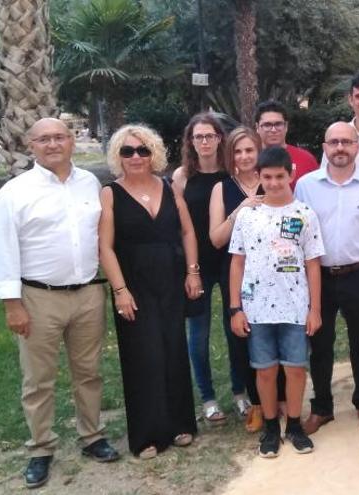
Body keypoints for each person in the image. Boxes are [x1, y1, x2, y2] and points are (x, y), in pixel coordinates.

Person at [0, 118, 120, 489]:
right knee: (38, 380)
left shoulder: (89, 183)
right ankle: (41, 448)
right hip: (38, 299)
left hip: (86, 294)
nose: (53, 144)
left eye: (60, 137)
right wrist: (12, 305)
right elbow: (3, 251)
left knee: (89, 372)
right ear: (31, 144)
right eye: (44, 139)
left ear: (70, 142)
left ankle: (93, 437)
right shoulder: (12, 194)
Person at [99, 124, 201, 460]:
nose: (136, 157)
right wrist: (120, 290)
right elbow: (106, 248)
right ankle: (148, 435)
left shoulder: (170, 187)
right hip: (135, 285)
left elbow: (187, 232)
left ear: (153, 153)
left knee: (173, 350)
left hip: (172, 281)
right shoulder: (110, 193)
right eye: (127, 151)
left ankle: (181, 424)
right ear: (118, 156)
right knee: (144, 356)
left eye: (142, 150)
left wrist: (192, 272)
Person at [228, 146, 324, 458]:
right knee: (265, 371)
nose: (273, 183)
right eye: (266, 177)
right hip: (256, 309)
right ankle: (271, 427)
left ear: (291, 175)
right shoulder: (248, 215)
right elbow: (237, 263)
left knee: (296, 369)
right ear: (258, 177)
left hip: (295, 308)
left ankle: (294, 425)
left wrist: (315, 309)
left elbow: (312, 263)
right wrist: (235, 308)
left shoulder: (305, 214)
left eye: (279, 176)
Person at [296, 122, 359, 434]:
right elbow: (298, 235)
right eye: (333, 142)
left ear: (356, 148)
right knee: (319, 343)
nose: (340, 148)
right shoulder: (306, 186)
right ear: (324, 147)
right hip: (318, 275)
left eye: (346, 143)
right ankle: (322, 407)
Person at [171, 113, 237, 425]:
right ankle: (208, 398)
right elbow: (179, 228)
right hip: (196, 266)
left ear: (220, 138)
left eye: (210, 135)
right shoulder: (182, 178)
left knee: (234, 329)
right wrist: (190, 270)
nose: (205, 142)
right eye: (198, 137)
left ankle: (240, 392)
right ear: (191, 142)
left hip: (229, 264)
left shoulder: (231, 174)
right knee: (198, 334)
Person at [209, 127, 266, 432]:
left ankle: (278, 400)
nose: (244, 157)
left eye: (249, 150)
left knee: (273, 333)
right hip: (235, 272)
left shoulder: (273, 179)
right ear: (230, 155)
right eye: (238, 151)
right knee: (241, 338)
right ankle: (255, 404)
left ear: (258, 151)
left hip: (272, 274)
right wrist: (239, 211)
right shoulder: (222, 187)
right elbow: (216, 238)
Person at [254, 100, 318, 190]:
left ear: (286, 126)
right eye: (267, 125)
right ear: (257, 127)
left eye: (278, 124)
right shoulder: (249, 160)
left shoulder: (306, 159)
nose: (273, 130)